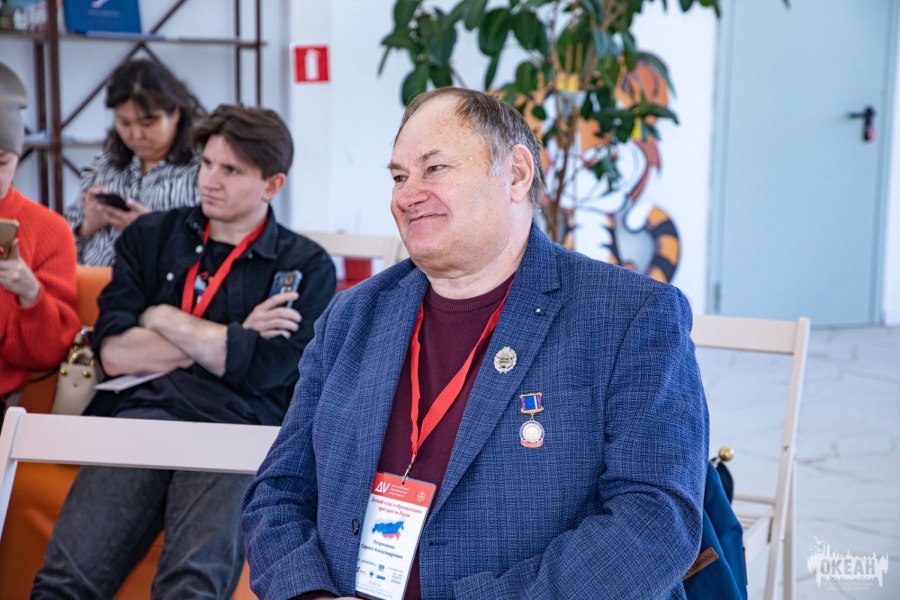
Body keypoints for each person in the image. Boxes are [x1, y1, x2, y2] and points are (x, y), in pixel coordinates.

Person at [242, 87, 710, 599]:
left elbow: (654, 522)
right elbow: (278, 492)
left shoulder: (629, 316)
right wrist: (309, 595)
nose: (406, 195)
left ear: (516, 174)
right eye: (399, 177)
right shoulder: (352, 317)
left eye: (434, 168)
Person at [32, 104, 337, 597]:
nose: (209, 181)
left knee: (191, 589)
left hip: (235, 430)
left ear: (272, 184)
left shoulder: (305, 264)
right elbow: (115, 355)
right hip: (141, 414)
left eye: (231, 170)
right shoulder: (151, 236)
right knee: (63, 582)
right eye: (207, 163)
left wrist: (162, 317)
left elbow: (270, 371)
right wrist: (235, 336)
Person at [64, 59, 204, 266]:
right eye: (124, 123)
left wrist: (152, 230)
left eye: (148, 123)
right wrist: (86, 226)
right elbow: (57, 247)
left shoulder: (202, 171)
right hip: (91, 282)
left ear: (175, 114)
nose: (136, 135)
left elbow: (212, 252)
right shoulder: (102, 166)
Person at [0, 61, 80, 416]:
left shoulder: (48, 229)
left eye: (1, 162)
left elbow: (46, 354)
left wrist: (29, 293)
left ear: (17, 158)